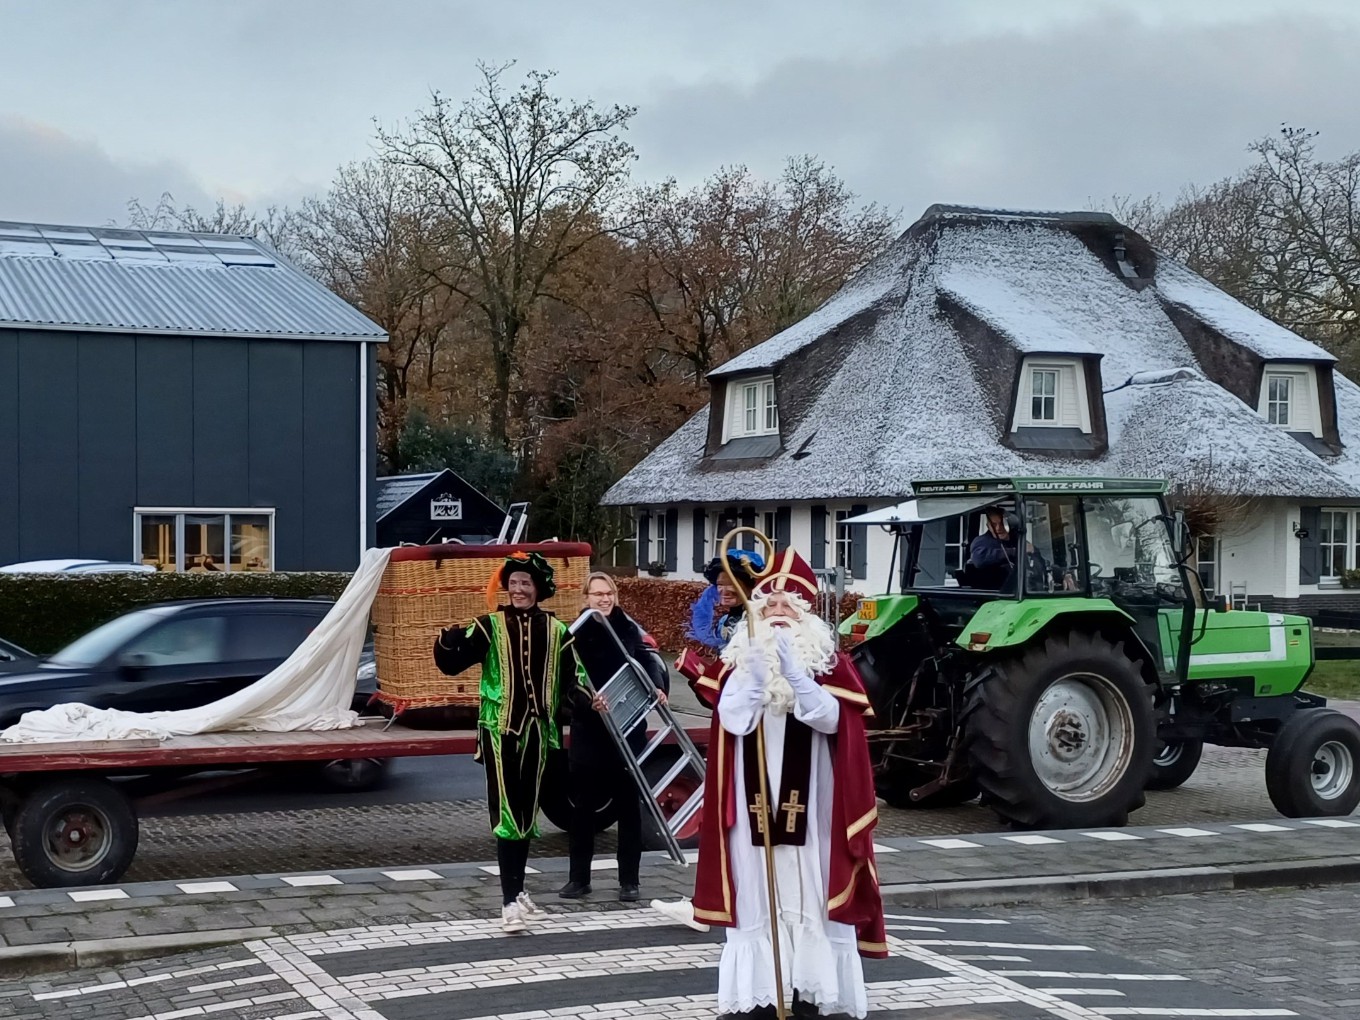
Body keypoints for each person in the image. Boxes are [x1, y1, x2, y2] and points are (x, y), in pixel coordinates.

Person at [692, 548, 886, 1018]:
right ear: (755, 612)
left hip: (814, 803)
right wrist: (755, 683)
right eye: (768, 605)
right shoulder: (739, 664)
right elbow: (732, 722)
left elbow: (834, 722)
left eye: (787, 605)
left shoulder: (827, 664)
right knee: (756, 886)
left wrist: (800, 681)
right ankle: (763, 993)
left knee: (810, 886)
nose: (777, 613)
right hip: (750, 798)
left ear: (805, 614)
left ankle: (808, 989)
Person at [433, 550, 580, 934]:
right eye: (512, 583)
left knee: (528, 815)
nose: (517, 589)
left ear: (537, 589)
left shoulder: (559, 632)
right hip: (501, 732)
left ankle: (519, 891)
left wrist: (587, 699)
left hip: (540, 734)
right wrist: (447, 642)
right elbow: (452, 664)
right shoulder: (488, 626)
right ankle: (508, 901)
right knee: (508, 816)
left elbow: (572, 682)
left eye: (525, 583)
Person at [560, 572, 670, 902]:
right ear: (586, 598)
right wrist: (587, 702)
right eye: (597, 594)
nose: (604, 599)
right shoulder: (574, 633)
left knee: (629, 810)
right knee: (583, 811)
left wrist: (658, 688)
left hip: (629, 728)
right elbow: (565, 683)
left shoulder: (629, 627)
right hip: (590, 734)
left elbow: (649, 661)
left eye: (608, 593)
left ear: (616, 595)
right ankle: (578, 880)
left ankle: (629, 881)